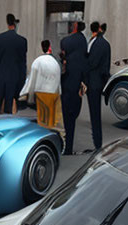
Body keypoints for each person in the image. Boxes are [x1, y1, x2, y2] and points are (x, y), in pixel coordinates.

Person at [20, 40, 63, 136]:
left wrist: (27, 94)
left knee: (42, 118)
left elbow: (32, 79)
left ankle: (42, 136)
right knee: (51, 119)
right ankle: (51, 135)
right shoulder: (55, 62)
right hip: (53, 93)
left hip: (41, 92)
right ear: (49, 48)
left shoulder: (37, 61)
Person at [59, 21, 88, 154]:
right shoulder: (83, 41)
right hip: (77, 85)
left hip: (66, 85)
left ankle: (65, 145)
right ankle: (69, 146)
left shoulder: (65, 41)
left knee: (65, 117)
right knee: (73, 116)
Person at [0, 13, 28, 114]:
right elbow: (23, 62)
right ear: (15, 24)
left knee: (1, 102)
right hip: (16, 75)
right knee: (13, 101)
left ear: (7, 23)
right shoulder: (22, 41)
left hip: (2, 74)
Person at [85, 21, 110, 151]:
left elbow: (92, 63)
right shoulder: (104, 43)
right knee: (95, 113)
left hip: (93, 83)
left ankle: (97, 143)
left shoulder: (95, 43)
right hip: (98, 82)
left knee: (94, 114)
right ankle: (97, 142)